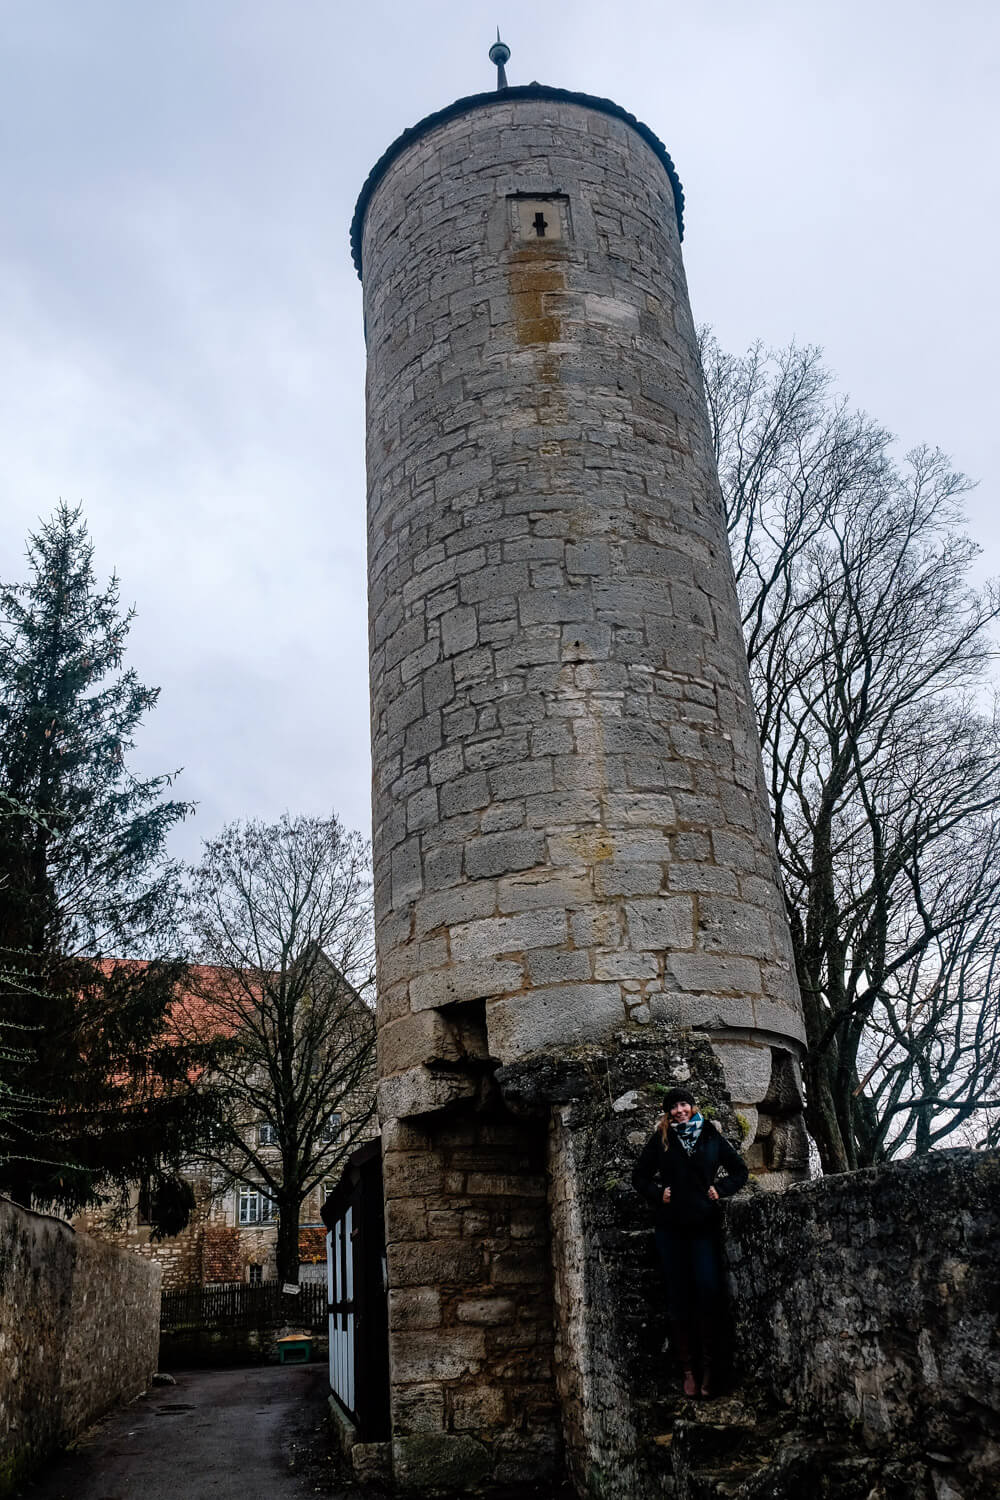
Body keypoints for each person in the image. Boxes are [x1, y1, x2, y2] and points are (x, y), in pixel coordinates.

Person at [631, 1086, 748, 1397]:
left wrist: (720, 1189)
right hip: (670, 1229)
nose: (679, 1110)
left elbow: (740, 1170)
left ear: (693, 1106)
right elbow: (639, 1176)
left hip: (702, 1227)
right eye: (674, 1106)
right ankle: (688, 1372)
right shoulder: (662, 1139)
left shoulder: (710, 1136)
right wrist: (658, 1193)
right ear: (668, 1112)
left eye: (684, 1104)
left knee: (708, 1291)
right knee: (678, 1295)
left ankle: (710, 1369)